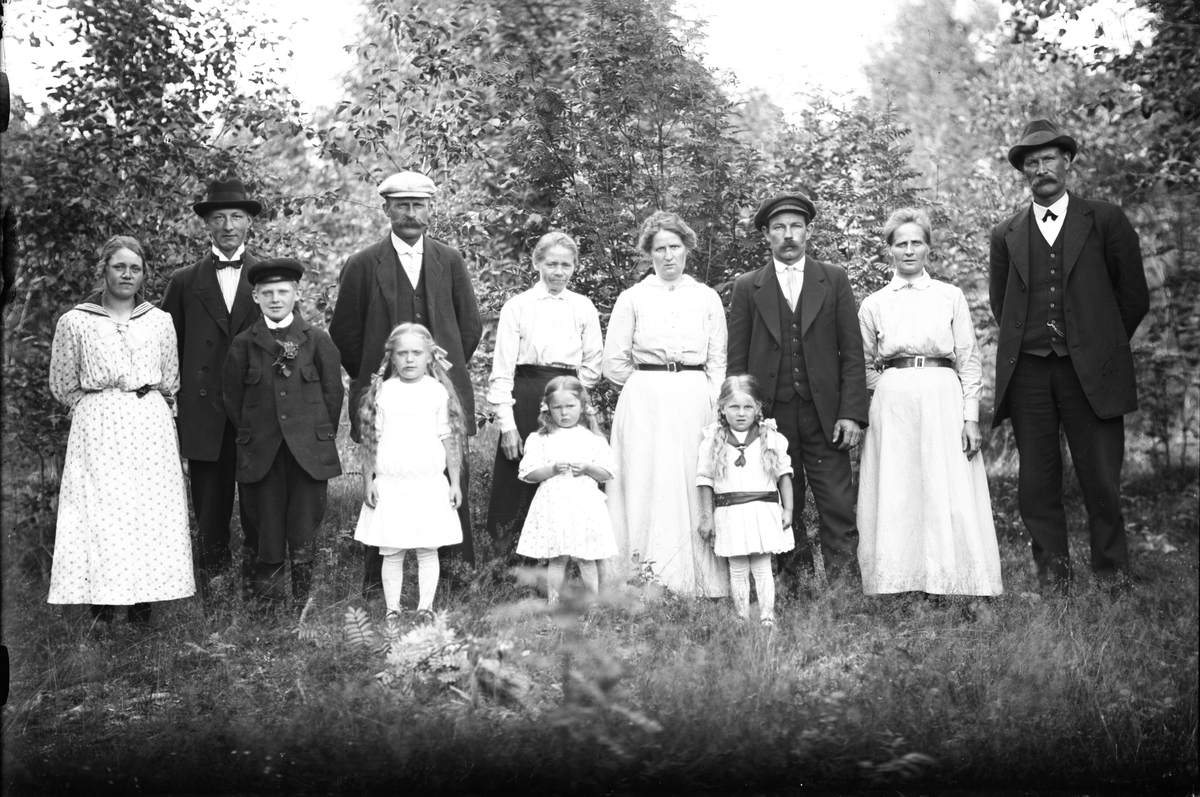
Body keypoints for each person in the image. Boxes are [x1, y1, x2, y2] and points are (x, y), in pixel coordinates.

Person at [990, 119, 1149, 593]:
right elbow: (1003, 305)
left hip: (1093, 372)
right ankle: (1054, 582)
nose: (1041, 168)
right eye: (1031, 162)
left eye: (1048, 159)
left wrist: (1100, 345)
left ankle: (1112, 578)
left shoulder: (1106, 219)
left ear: (1067, 162)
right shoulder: (1005, 233)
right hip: (1030, 374)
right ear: (1024, 172)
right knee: (1036, 485)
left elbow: (1133, 296)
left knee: (1101, 480)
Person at [330, 170, 483, 592]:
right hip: (385, 395)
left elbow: (469, 327)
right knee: (383, 480)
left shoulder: (450, 260)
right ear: (387, 210)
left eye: (418, 205)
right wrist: (375, 374)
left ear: (430, 209)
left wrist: (440, 373)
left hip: (440, 393)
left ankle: (455, 579)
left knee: (450, 479)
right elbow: (344, 332)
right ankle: (377, 586)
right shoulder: (362, 264)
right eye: (402, 206)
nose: (410, 214)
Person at [48, 235, 195, 625]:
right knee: (102, 513)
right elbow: (62, 383)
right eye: (119, 267)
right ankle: (100, 613)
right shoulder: (76, 321)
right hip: (98, 425)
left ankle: (141, 612)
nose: (127, 275)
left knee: (146, 512)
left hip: (150, 424)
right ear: (104, 270)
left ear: (144, 274)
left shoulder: (159, 321)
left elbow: (170, 379)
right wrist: (97, 405)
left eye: (135, 268)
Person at [857, 208, 1003, 597]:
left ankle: (956, 582)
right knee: (899, 488)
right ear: (889, 250)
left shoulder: (949, 296)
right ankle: (898, 584)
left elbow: (968, 360)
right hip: (894, 404)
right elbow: (862, 363)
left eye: (916, 243)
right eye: (901, 244)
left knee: (947, 487)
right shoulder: (874, 304)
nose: (909, 250)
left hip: (943, 398)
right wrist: (892, 387)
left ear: (928, 248)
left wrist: (970, 417)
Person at [727, 192, 868, 587]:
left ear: (808, 231)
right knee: (782, 503)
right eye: (778, 228)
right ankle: (796, 589)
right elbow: (737, 363)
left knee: (837, 505)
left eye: (795, 226)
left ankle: (844, 593)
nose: (788, 234)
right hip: (772, 418)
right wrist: (744, 420)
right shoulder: (747, 286)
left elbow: (852, 353)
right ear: (766, 235)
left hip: (826, 416)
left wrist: (851, 413)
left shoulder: (833, 278)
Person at [602, 211, 728, 597]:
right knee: (645, 478)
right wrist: (647, 385)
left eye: (675, 247)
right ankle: (639, 578)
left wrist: (712, 404)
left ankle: (697, 582)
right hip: (645, 401)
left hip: (695, 398)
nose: (668, 256)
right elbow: (613, 362)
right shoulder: (633, 298)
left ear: (687, 248)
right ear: (649, 253)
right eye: (660, 249)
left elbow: (717, 360)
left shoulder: (706, 298)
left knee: (691, 479)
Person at [161, 176, 264, 597]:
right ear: (207, 224)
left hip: (256, 414)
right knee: (209, 515)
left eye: (236, 216)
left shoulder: (267, 276)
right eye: (219, 217)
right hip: (204, 417)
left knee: (260, 510)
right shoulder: (184, 281)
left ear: (249, 222)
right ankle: (214, 599)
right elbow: (167, 351)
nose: (228, 226)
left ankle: (260, 596)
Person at [222, 258, 344, 608]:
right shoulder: (244, 344)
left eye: (283, 292)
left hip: (308, 455)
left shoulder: (317, 340)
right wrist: (257, 435)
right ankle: (269, 610)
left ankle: (303, 607)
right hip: (262, 454)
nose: (275, 299)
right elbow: (233, 400)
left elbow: (333, 395)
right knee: (267, 529)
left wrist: (314, 438)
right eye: (267, 293)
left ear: (297, 294)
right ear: (256, 297)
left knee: (304, 528)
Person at [485, 232, 603, 558]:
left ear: (575, 267)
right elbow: (502, 372)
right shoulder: (518, 306)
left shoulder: (583, 306)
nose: (558, 272)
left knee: (567, 477)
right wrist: (507, 426)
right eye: (551, 264)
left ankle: (562, 561)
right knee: (518, 477)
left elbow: (593, 363)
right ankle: (506, 566)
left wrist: (574, 398)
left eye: (566, 265)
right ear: (537, 263)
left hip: (568, 398)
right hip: (525, 394)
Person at [353, 323, 465, 624]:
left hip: (428, 484)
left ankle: (425, 608)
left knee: (428, 548)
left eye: (417, 352)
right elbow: (371, 440)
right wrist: (368, 481)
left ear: (430, 356)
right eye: (402, 353)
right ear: (392, 357)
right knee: (392, 550)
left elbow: (450, 439)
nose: (410, 359)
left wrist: (454, 482)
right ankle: (393, 610)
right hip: (391, 484)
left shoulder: (437, 392)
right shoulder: (383, 392)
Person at [696, 375, 794, 626]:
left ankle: (767, 617)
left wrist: (788, 509)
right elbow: (705, 482)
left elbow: (784, 475)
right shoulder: (712, 442)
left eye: (747, 407)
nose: (741, 413)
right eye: (734, 407)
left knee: (762, 567)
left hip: (762, 511)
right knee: (738, 568)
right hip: (731, 514)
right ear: (722, 408)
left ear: (758, 408)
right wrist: (707, 517)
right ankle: (741, 617)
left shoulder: (770, 437)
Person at [516, 376, 617, 605]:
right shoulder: (540, 439)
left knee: (586, 558)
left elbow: (606, 473)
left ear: (582, 406)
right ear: (547, 408)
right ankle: (553, 602)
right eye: (557, 407)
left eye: (570, 406)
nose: (564, 413)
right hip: (555, 505)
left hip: (584, 506)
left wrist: (588, 468)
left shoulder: (593, 439)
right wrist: (551, 470)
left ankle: (592, 602)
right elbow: (529, 474)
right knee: (557, 558)